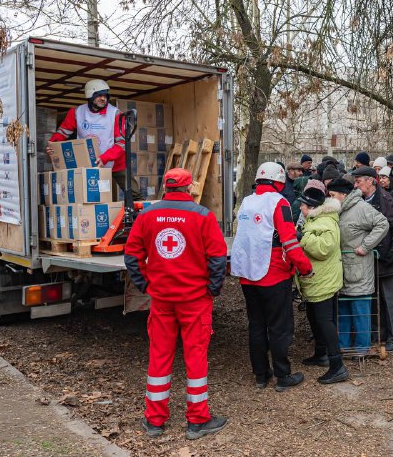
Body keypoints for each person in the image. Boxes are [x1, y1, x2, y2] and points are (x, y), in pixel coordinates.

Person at [124, 168, 228, 439]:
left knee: (159, 356)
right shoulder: (203, 216)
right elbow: (218, 258)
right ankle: (197, 420)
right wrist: (212, 289)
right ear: (189, 188)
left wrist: (146, 285)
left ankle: (155, 420)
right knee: (196, 358)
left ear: (165, 187)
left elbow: (132, 255)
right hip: (195, 300)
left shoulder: (147, 215)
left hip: (161, 300)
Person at [231, 162, 313, 392]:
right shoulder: (279, 202)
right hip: (273, 274)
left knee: (256, 325)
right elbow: (288, 240)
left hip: (248, 275)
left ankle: (260, 374)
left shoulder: (247, 201)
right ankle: (282, 375)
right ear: (279, 181)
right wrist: (305, 267)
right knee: (279, 326)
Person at [48, 79, 141, 199]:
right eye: (99, 95)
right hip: (88, 163)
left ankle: (143, 215)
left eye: (105, 96)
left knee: (134, 194)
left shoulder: (116, 114)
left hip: (116, 163)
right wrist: (53, 145)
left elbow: (122, 143)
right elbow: (63, 132)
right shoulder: (77, 112)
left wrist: (105, 158)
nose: (103, 99)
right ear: (90, 95)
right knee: (91, 197)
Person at [327, 178, 388, 355]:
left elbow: (382, 223)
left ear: (343, 195)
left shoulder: (361, 208)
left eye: (332, 195)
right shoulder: (337, 210)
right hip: (342, 270)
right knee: (343, 311)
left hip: (359, 269)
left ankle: (362, 348)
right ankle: (344, 346)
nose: (329, 198)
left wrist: (366, 246)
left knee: (360, 311)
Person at [296, 183, 350, 384]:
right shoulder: (315, 219)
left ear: (311, 206)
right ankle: (321, 354)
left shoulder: (326, 222)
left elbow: (324, 249)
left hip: (323, 281)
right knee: (314, 317)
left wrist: (303, 238)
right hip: (316, 279)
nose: (300, 208)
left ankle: (337, 366)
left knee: (325, 321)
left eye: (303, 205)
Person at [352, 166, 393, 351]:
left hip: (387, 257)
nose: (356, 184)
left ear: (370, 181)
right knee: (375, 298)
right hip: (369, 259)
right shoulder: (360, 199)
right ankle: (379, 333)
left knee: (391, 299)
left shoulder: (385, 200)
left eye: (358, 181)